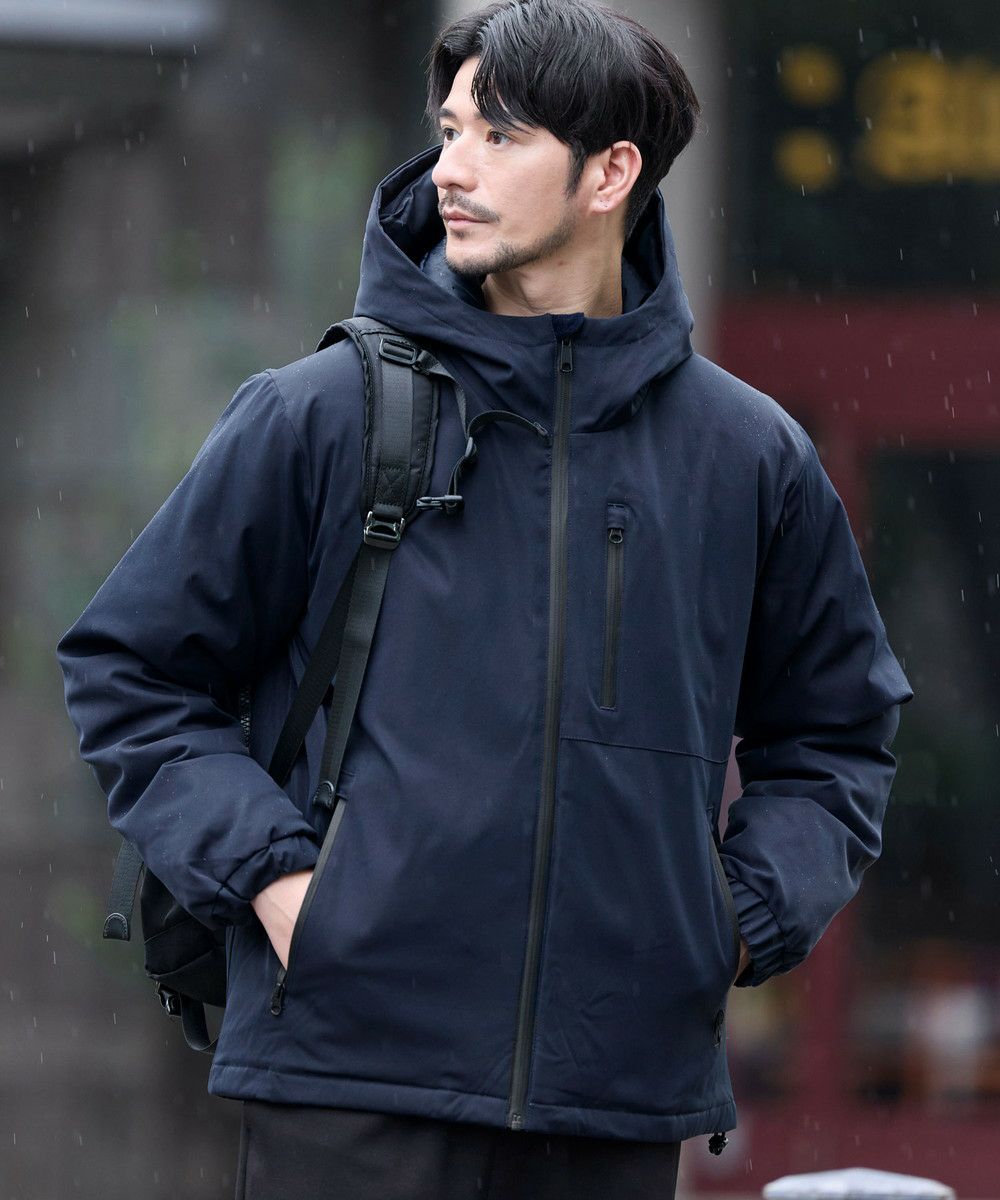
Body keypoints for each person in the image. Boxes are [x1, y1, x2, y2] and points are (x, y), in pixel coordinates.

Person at [56, 2, 914, 1197]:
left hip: (610, 1099)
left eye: (499, 137)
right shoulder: (321, 414)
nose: (450, 170)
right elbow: (131, 669)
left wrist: (729, 923)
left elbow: (836, 732)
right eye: (450, 130)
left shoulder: (746, 457)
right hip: (348, 1080)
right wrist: (282, 885)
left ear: (610, 172)